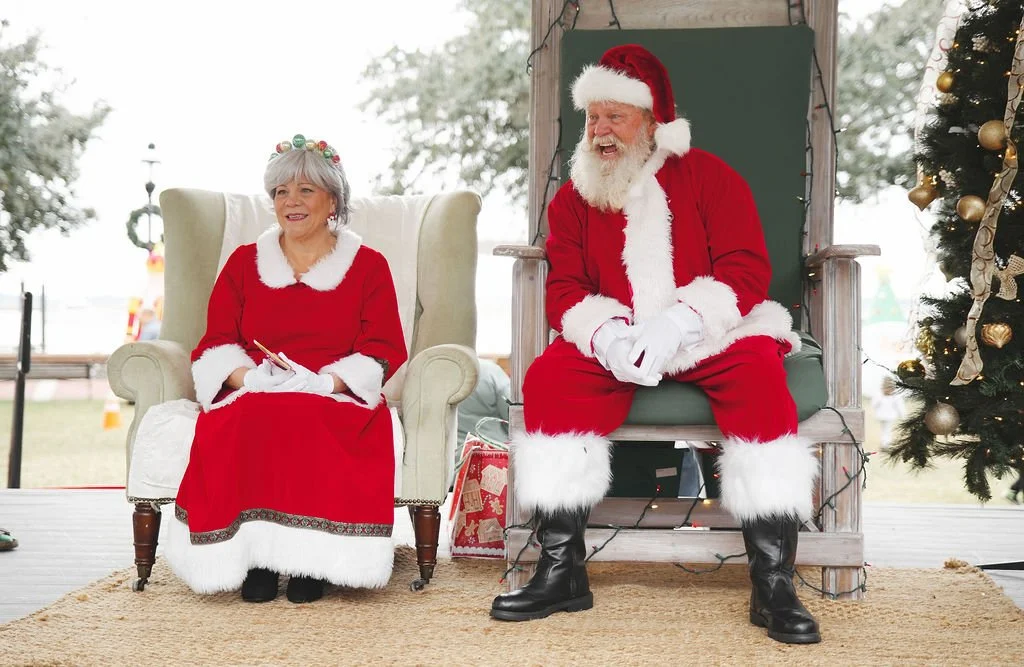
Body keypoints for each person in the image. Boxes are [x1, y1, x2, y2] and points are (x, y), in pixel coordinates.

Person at [489, 45, 821, 645]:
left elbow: (745, 271)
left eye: (615, 117)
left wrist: (680, 323)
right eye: (592, 118)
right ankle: (562, 571)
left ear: (651, 122)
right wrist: (608, 334)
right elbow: (565, 288)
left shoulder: (712, 178)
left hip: (709, 335)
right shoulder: (574, 197)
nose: (600, 131)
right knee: (550, 378)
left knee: (759, 374)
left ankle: (773, 585)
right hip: (619, 340)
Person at [164, 135, 407, 604]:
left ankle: (307, 564)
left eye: (305, 191)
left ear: (332, 200)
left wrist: (325, 382)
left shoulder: (369, 267)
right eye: (281, 192)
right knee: (249, 417)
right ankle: (256, 559)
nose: (291, 202)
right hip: (258, 387)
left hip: (333, 394)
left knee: (308, 417)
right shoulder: (242, 264)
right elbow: (216, 342)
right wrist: (247, 379)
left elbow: (382, 347)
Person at [455, 359, 511, 448]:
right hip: (493, 452)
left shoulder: (433, 371)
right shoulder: (490, 371)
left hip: (449, 454)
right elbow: (512, 415)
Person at [871, 376, 905, 451]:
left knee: (886, 430)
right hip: (884, 416)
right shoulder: (881, 394)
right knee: (886, 430)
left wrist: (903, 416)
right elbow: (874, 405)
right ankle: (885, 444)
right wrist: (902, 416)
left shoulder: (894, 395)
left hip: (887, 416)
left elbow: (900, 406)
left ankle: (885, 444)